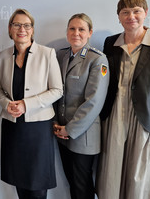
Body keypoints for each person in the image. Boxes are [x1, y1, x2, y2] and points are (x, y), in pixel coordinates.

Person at [96, 0, 150, 199]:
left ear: (145, 12)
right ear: (119, 16)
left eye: (136, 11)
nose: (131, 16)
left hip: (146, 122)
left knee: (140, 181)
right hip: (114, 118)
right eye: (125, 12)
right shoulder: (110, 43)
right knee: (112, 177)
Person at [0, 8, 63, 199]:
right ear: (10, 29)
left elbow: (57, 90)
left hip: (38, 129)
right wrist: (7, 104)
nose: (21, 29)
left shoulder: (47, 54)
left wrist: (26, 104)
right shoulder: (3, 56)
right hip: (13, 128)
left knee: (38, 187)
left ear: (32, 29)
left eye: (26, 25)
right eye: (17, 24)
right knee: (20, 183)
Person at [53, 13, 109, 199]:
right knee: (72, 182)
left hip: (82, 136)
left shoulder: (97, 60)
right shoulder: (60, 55)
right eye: (72, 28)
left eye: (81, 29)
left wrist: (69, 129)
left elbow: (94, 102)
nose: (76, 33)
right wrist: (56, 123)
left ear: (90, 33)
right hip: (62, 134)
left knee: (82, 186)